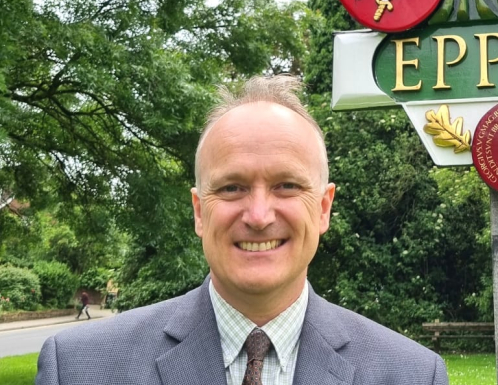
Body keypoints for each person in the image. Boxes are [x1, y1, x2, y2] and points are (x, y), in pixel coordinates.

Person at [37, 75, 449, 385]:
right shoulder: (77, 367)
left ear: (323, 209)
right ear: (199, 212)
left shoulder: (412, 374)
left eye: (286, 185)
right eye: (232, 187)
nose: (257, 214)